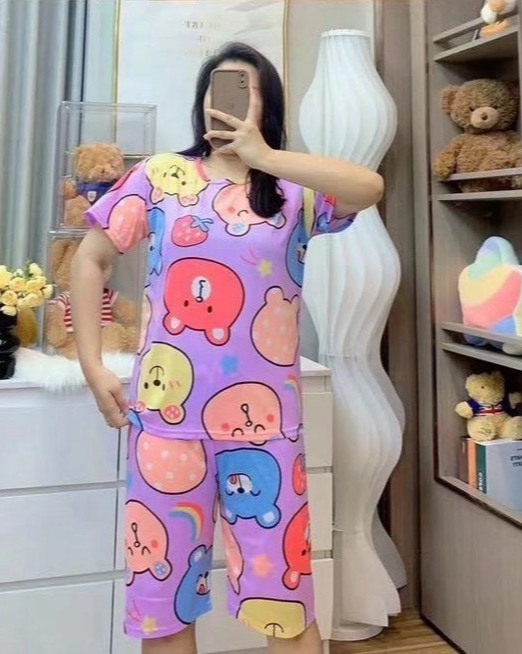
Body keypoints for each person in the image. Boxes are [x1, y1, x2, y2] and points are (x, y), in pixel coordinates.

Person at [72, 42, 383, 654]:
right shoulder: (162, 176)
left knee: (285, 603)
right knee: (162, 603)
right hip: (167, 422)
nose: (229, 101)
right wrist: (91, 365)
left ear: (268, 103)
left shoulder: (294, 188)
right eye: (218, 87)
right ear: (201, 100)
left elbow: (370, 187)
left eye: (246, 89)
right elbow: (91, 259)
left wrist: (265, 156)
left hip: (267, 429)